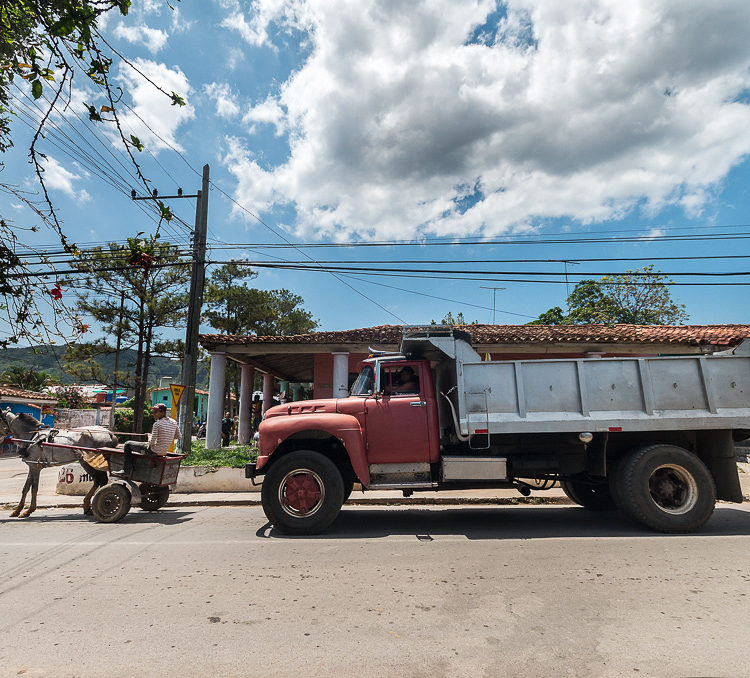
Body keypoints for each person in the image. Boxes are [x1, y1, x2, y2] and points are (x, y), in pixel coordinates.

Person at [112, 403, 181, 478]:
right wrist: (167, 437)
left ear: (162, 412)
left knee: (127, 444)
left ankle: (126, 470)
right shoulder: (174, 422)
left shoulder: (157, 424)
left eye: (155, 412)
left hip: (153, 451)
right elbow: (179, 436)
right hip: (163, 452)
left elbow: (151, 443)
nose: (153, 414)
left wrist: (149, 436)